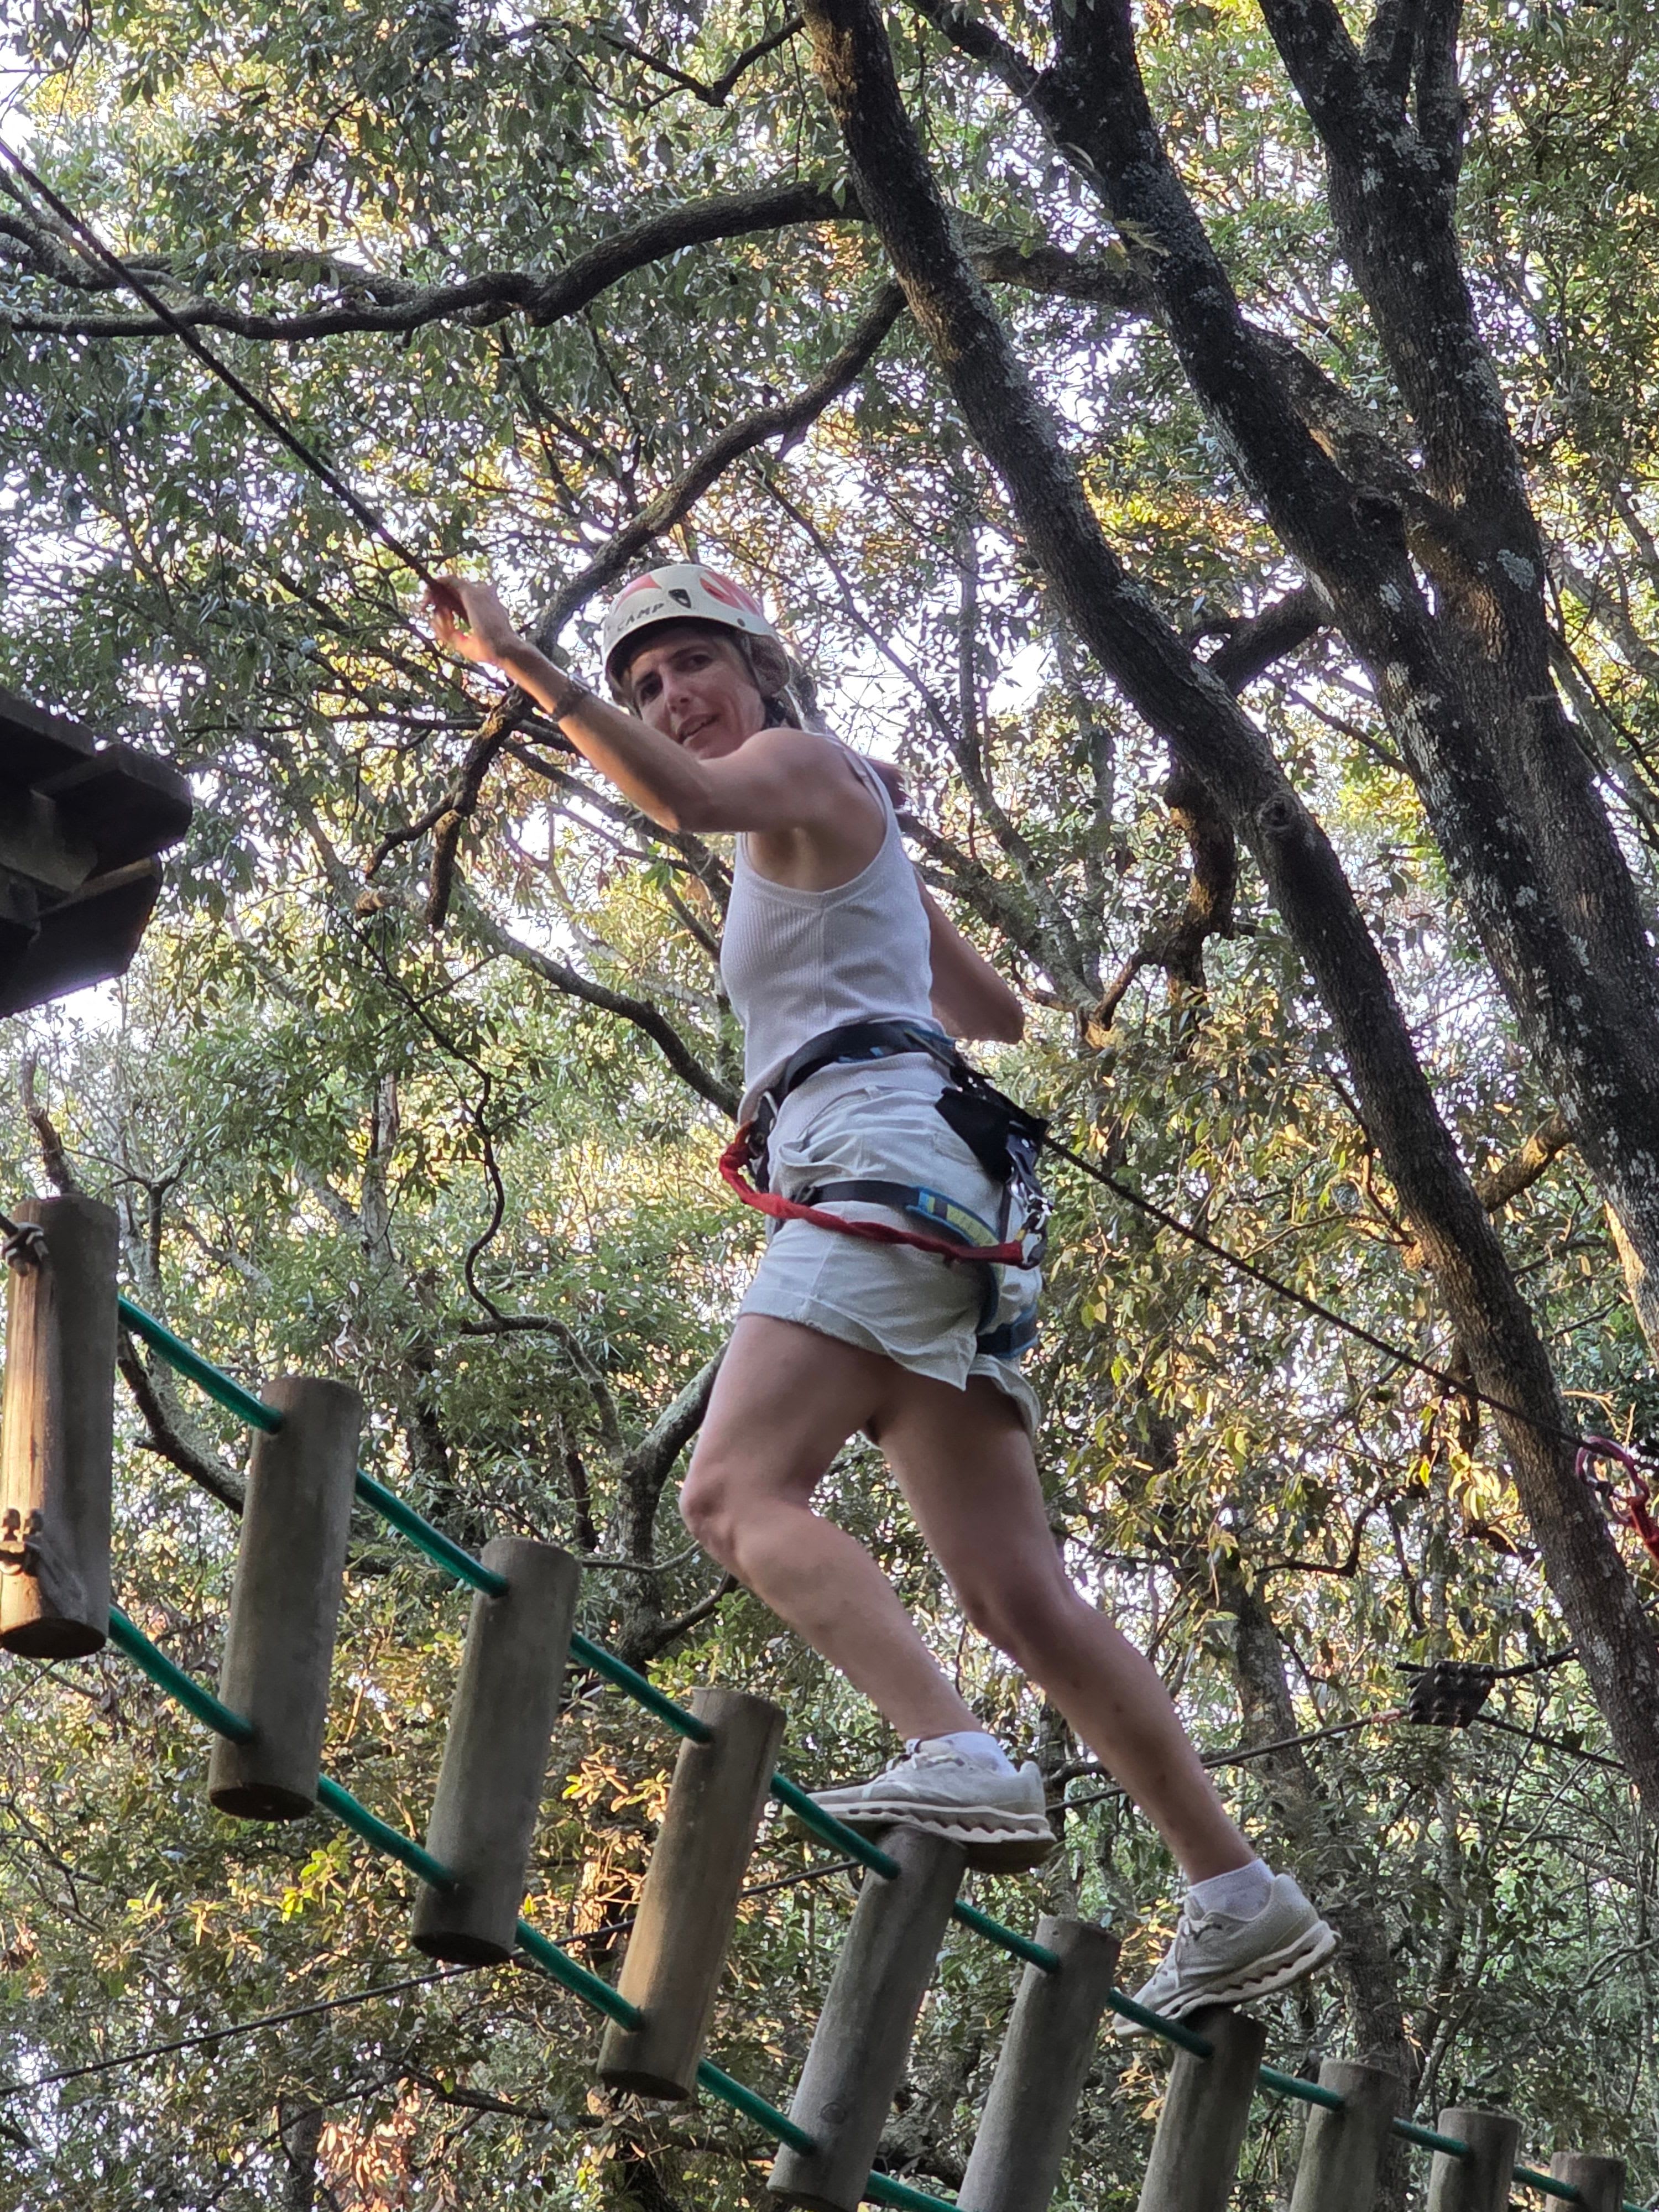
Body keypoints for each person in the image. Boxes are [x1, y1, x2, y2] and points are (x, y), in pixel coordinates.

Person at [427, 561, 1335, 2026]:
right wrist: (882, 873)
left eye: (692, 665)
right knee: (1018, 1593)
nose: (670, 697)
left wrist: (524, 662)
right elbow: (995, 1013)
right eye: (647, 682)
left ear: (762, 668)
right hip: (949, 1187)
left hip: (877, 1163)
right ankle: (1237, 1892)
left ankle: (950, 1746)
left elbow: (683, 798)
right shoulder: (821, 806)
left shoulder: (796, 765)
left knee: (732, 1493)